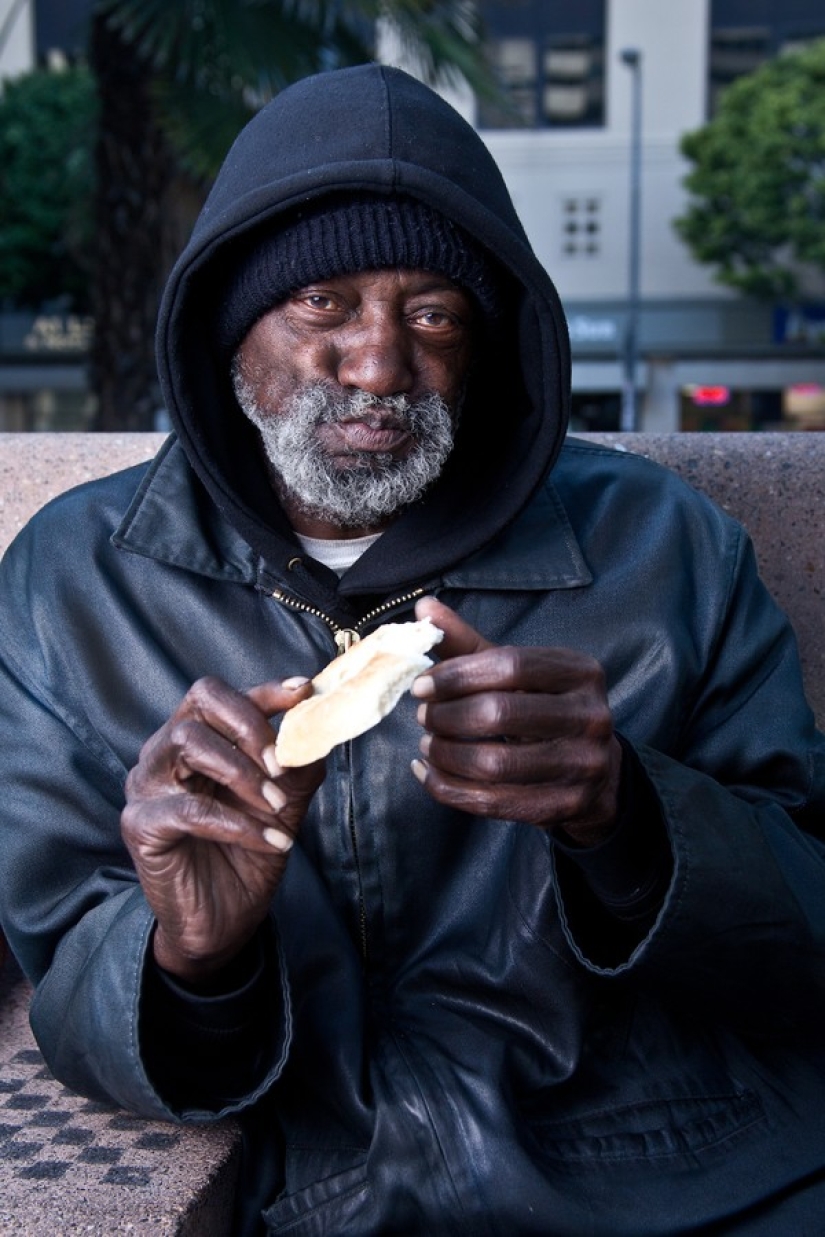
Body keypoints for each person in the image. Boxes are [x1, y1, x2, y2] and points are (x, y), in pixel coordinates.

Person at [0, 63, 824, 1237]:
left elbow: (809, 934)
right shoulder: (75, 581)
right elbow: (62, 966)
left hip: (694, 1170)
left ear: (486, 343)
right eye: (322, 305)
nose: (380, 365)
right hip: (333, 1195)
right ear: (232, 327)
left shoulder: (667, 548)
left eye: (432, 313)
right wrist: (188, 949)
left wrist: (633, 823)